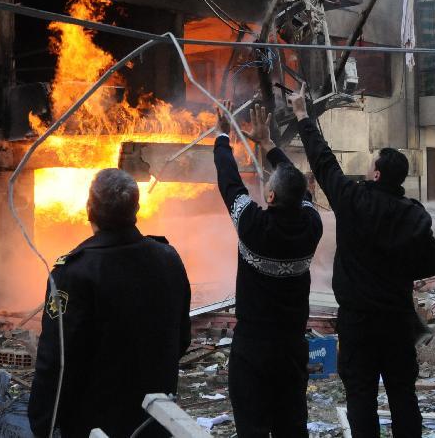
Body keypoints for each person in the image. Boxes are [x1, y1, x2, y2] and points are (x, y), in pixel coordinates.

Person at [289, 84, 435, 438]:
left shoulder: (353, 200)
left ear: (376, 175)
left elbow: (322, 161)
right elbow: (430, 265)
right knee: (403, 393)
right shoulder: (414, 215)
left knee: (360, 395)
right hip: (398, 321)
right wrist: (399, 269)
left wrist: (301, 115)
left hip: (358, 323)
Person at [28, 169, 191, 438]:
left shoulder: (72, 273)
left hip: (94, 422)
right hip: (155, 417)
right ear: (137, 209)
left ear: (89, 210)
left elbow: (57, 362)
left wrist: (42, 423)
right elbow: (181, 338)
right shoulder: (168, 258)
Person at [213, 101, 323, 437]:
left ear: (271, 196)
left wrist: (222, 137)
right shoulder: (312, 225)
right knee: (292, 425)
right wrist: (270, 146)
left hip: (253, 349)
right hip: (291, 347)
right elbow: (298, 187)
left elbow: (228, 182)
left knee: (252, 426)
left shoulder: (252, 226)